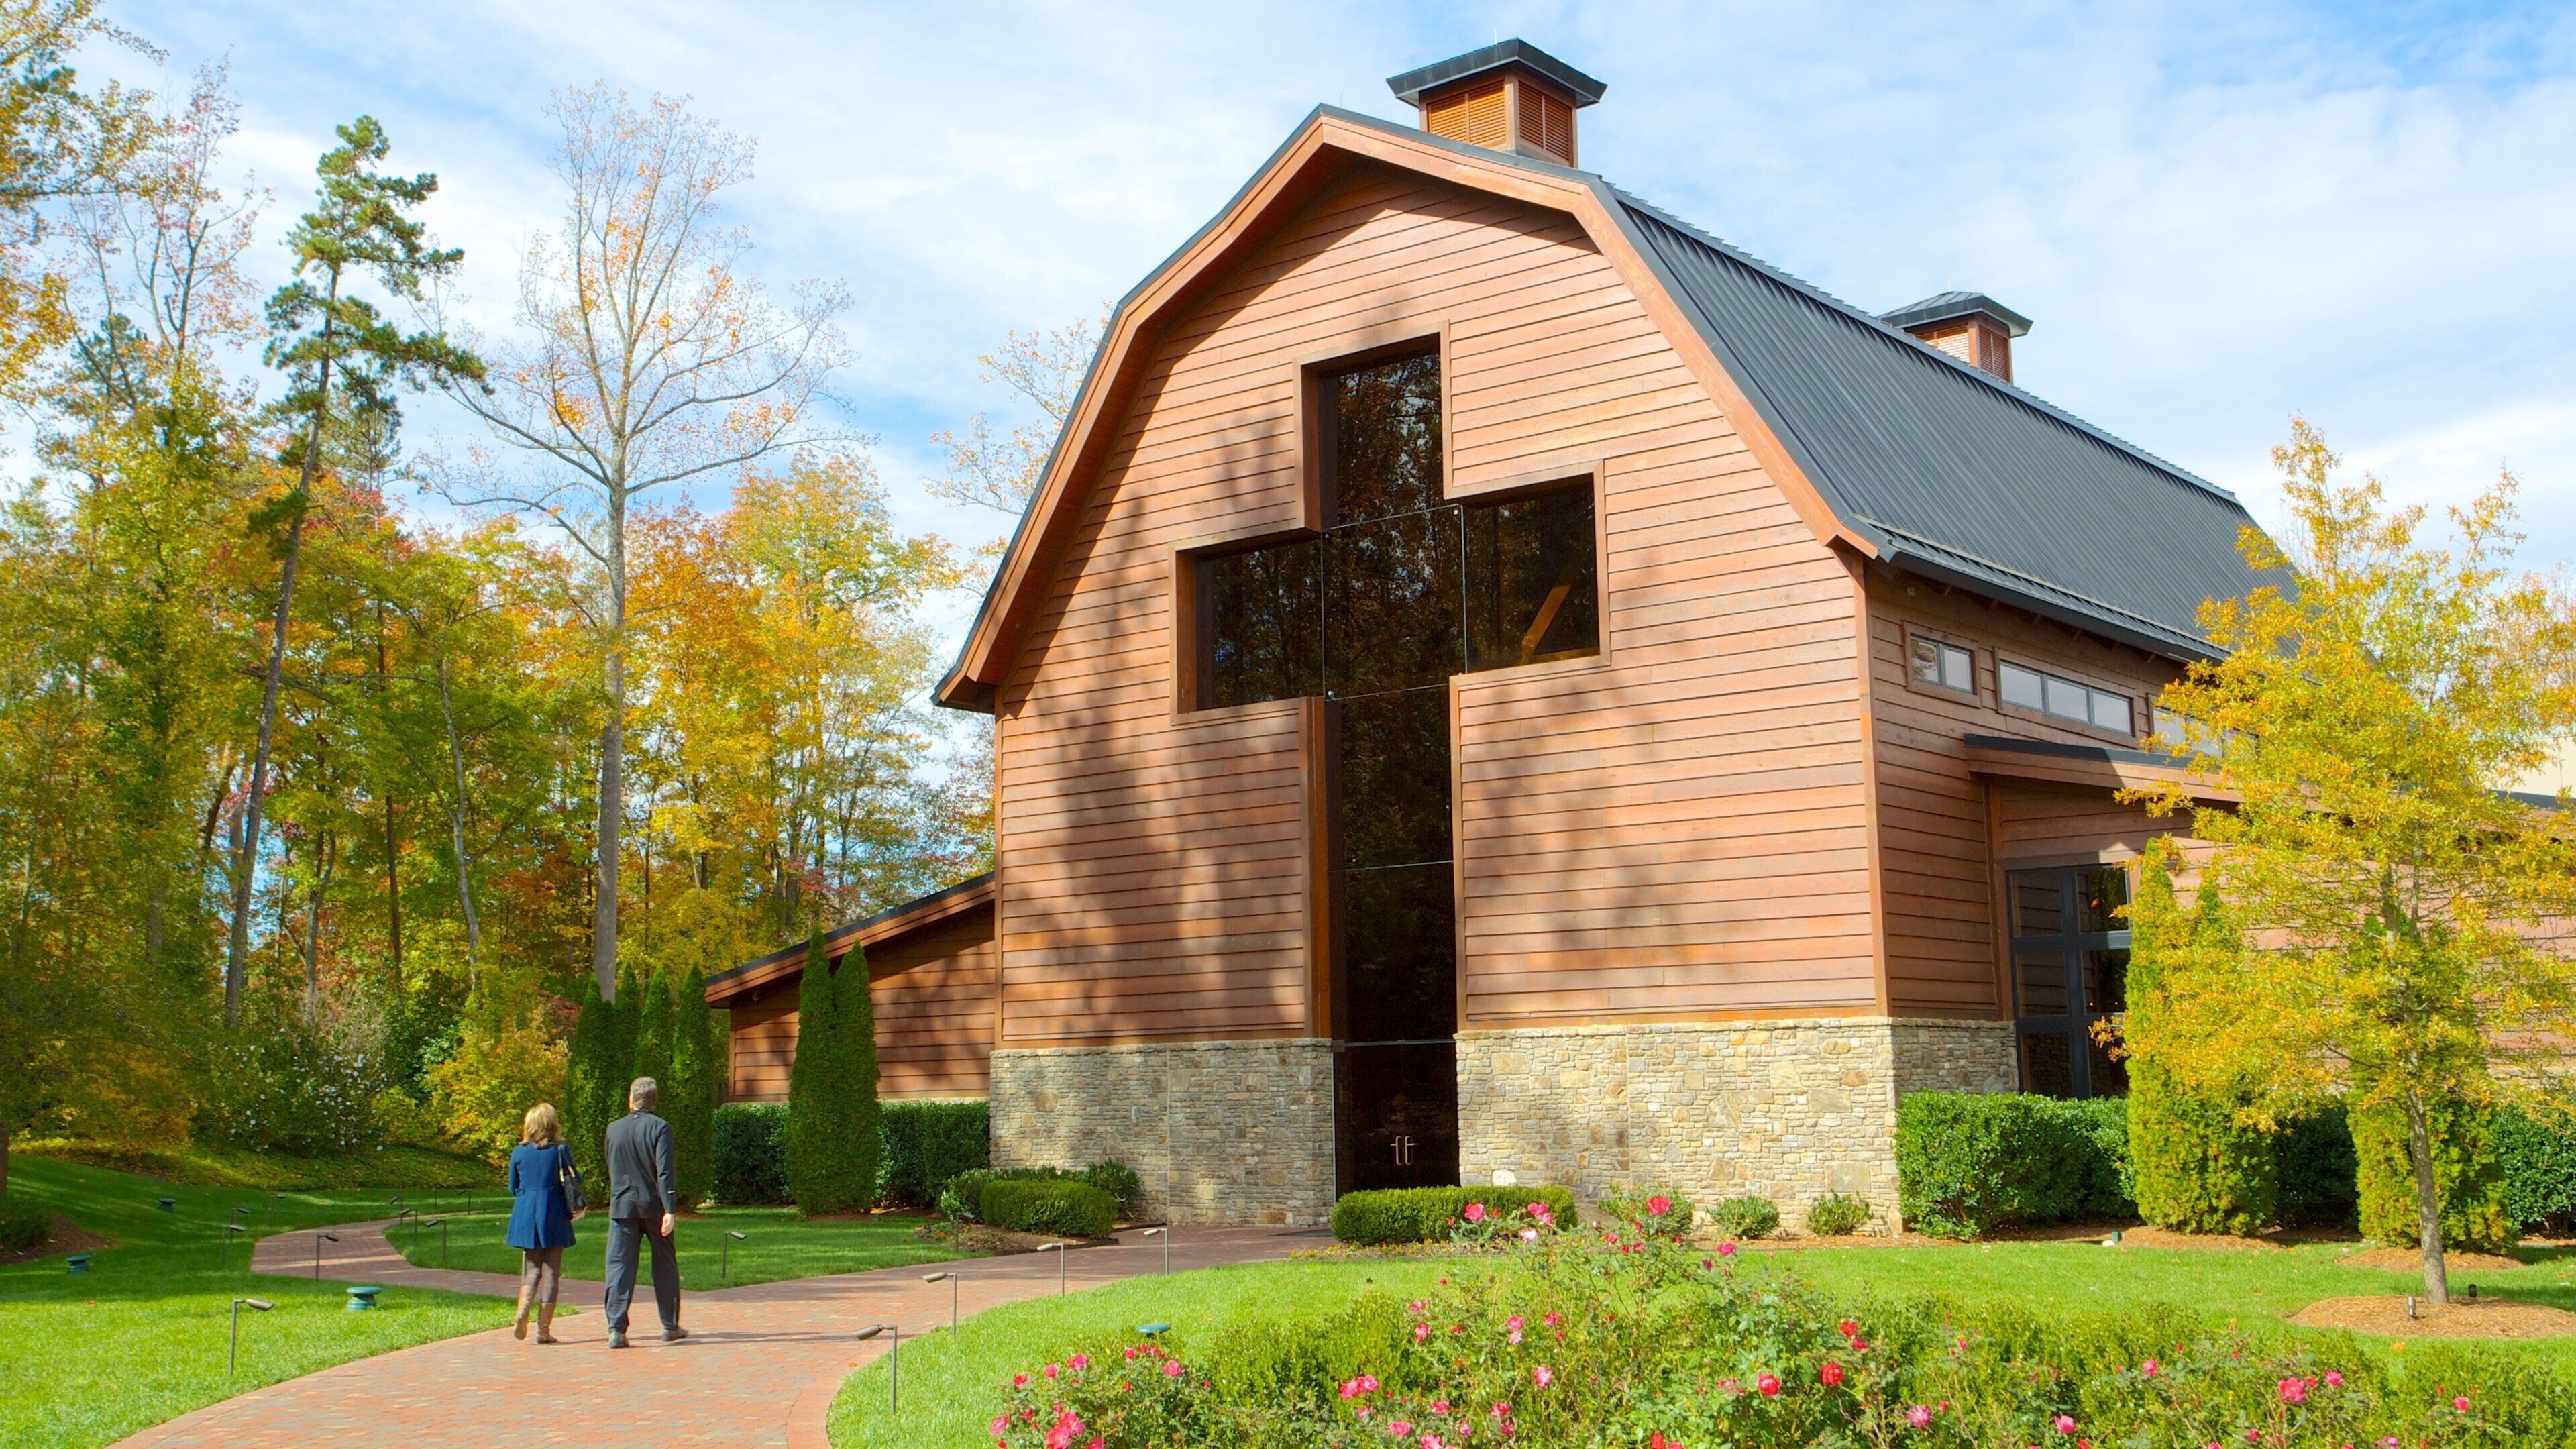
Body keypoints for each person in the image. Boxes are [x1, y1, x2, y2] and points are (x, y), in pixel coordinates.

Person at [602, 1075, 686, 1348]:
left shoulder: (614, 1129)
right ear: (654, 1101)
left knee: (619, 1266)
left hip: (622, 1205)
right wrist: (670, 1209)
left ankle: (617, 1329)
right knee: (664, 1264)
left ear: (631, 1099)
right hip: (654, 1205)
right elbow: (665, 1171)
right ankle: (669, 1325)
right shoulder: (660, 1127)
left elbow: (612, 1165)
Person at [505, 1102, 580, 1344]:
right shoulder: (560, 1151)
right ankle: (543, 1331)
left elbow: (513, 1187)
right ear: (552, 1124)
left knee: (533, 1268)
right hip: (554, 1211)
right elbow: (575, 1180)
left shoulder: (518, 1152)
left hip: (526, 1211)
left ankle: (522, 1311)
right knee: (552, 1272)